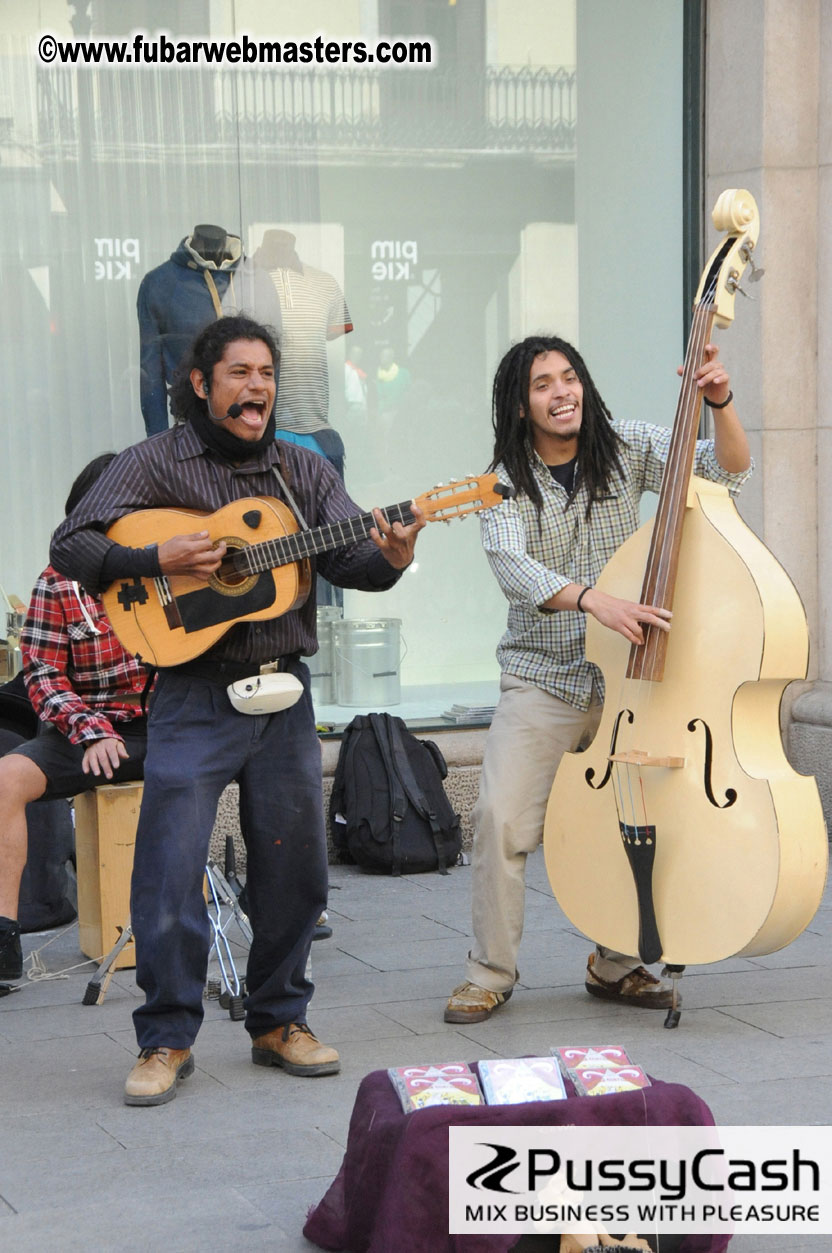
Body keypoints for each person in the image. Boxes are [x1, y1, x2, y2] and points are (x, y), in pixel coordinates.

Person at [50, 314, 424, 1105]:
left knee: (294, 866)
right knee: (168, 867)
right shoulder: (154, 462)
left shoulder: (304, 467)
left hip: (284, 690)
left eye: (266, 373)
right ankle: (166, 1037)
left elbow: (348, 555)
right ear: (202, 383)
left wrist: (390, 557)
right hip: (192, 690)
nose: (257, 387)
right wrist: (156, 557)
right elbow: (73, 542)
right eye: (240, 373)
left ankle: (278, 1021)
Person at [444, 334, 751, 1024]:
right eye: (543, 385)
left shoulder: (628, 444)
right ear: (522, 407)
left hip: (628, 683)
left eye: (569, 377)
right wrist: (593, 599)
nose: (563, 393)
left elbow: (727, 470)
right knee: (499, 818)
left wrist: (720, 401)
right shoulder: (501, 480)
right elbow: (512, 569)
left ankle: (615, 964)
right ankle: (490, 971)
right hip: (543, 676)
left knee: (633, 816)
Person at [0, 455, 150, 983]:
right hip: (85, 728)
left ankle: (286, 910)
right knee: (6, 778)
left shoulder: (167, 567)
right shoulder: (57, 580)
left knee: (259, 746)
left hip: (165, 725)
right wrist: (91, 730)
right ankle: (3, 940)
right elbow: (41, 675)